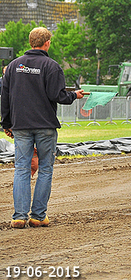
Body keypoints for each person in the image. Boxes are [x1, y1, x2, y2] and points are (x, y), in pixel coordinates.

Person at [1, 27, 86, 228]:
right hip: (45, 126)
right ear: (47, 43)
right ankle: (38, 216)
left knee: (21, 169)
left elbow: (5, 97)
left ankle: (19, 217)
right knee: (45, 169)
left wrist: (6, 123)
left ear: (31, 42)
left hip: (21, 126)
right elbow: (58, 95)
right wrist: (75, 95)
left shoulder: (13, 66)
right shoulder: (52, 66)